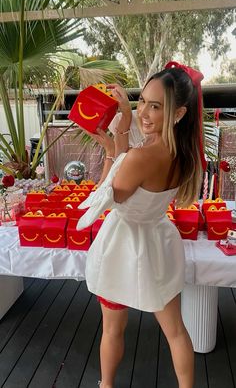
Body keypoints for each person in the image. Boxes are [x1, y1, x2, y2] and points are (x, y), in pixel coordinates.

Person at [77, 61, 207, 388]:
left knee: (112, 329)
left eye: (155, 106)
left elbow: (108, 194)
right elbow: (133, 167)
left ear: (178, 114)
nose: (144, 113)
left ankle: (106, 385)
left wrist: (110, 149)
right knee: (176, 331)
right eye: (142, 102)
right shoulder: (183, 152)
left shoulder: (141, 156)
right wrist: (124, 123)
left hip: (123, 247)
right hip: (158, 243)